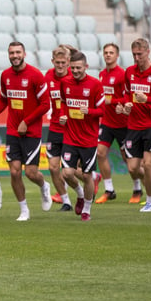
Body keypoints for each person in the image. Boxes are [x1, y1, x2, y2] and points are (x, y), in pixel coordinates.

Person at [0, 41, 52, 222]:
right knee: (14, 172)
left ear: (24, 54)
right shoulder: (5, 75)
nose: (15, 55)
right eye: (11, 53)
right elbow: (4, 100)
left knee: (30, 173)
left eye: (17, 52)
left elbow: (46, 104)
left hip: (32, 131)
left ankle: (44, 186)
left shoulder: (36, 75)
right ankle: (24, 210)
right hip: (13, 130)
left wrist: (27, 122)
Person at [120, 38, 151, 213]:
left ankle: (150, 201)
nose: (136, 57)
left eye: (139, 54)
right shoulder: (129, 72)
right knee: (133, 167)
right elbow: (126, 94)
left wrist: (147, 99)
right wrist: (126, 104)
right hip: (134, 125)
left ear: (148, 52)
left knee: (148, 164)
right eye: (134, 54)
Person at [57, 51, 104, 221]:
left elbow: (102, 110)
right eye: (73, 67)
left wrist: (89, 111)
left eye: (79, 68)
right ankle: (80, 194)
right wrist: (63, 115)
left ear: (86, 67)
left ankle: (87, 210)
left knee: (86, 176)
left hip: (88, 139)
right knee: (67, 173)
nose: (75, 71)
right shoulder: (65, 82)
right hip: (70, 136)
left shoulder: (95, 85)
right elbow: (63, 102)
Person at [96, 42, 137, 204]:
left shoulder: (123, 74)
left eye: (111, 52)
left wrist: (110, 101)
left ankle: (138, 187)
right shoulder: (101, 75)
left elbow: (128, 97)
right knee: (100, 153)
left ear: (117, 55)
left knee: (128, 159)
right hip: (107, 122)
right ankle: (109, 189)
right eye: (105, 52)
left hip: (123, 123)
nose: (108, 55)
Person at [43, 46, 74, 212]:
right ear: (52, 62)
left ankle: (89, 184)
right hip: (55, 127)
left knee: (72, 170)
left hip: (72, 129)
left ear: (68, 62)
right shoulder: (48, 76)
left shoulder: (74, 77)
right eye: (57, 62)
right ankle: (66, 201)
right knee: (53, 167)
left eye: (63, 62)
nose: (60, 65)